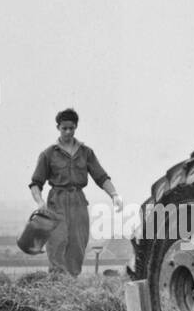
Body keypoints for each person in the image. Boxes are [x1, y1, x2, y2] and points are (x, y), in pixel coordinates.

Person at [29, 108, 123, 276]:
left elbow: (101, 177)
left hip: (78, 201)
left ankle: (71, 281)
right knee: (57, 241)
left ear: (76, 127)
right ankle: (57, 281)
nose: (68, 132)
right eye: (64, 128)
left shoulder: (86, 153)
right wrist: (40, 202)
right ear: (58, 127)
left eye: (71, 128)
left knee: (78, 243)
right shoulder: (48, 154)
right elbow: (35, 183)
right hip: (56, 202)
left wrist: (114, 195)